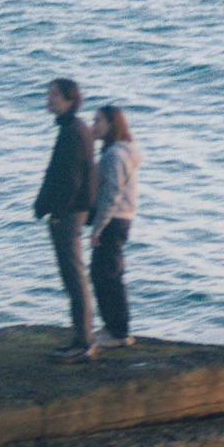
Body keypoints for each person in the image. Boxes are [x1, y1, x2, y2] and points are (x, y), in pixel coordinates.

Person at [30, 77, 97, 353]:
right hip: (72, 211)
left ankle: (84, 341)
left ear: (70, 100)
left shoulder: (73, 132)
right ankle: (82, 338)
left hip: (68, 213)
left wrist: (57, 212)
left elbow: (70, 180)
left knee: (74, 275)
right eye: (50, 94)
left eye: (55, 95)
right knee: (73, 275)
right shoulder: (73, 128)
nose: (49, 99)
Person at [85, 105, 141, 352]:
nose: (93, 125)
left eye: (98, 121)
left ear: (111, 125)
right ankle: (112, 327)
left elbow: (112, 194)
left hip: (114, 219)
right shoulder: (119, 151)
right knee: (103, 273)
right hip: (119, 218)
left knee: (107, 274)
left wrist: (98, 228)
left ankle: (119, 331)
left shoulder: (115, 155)